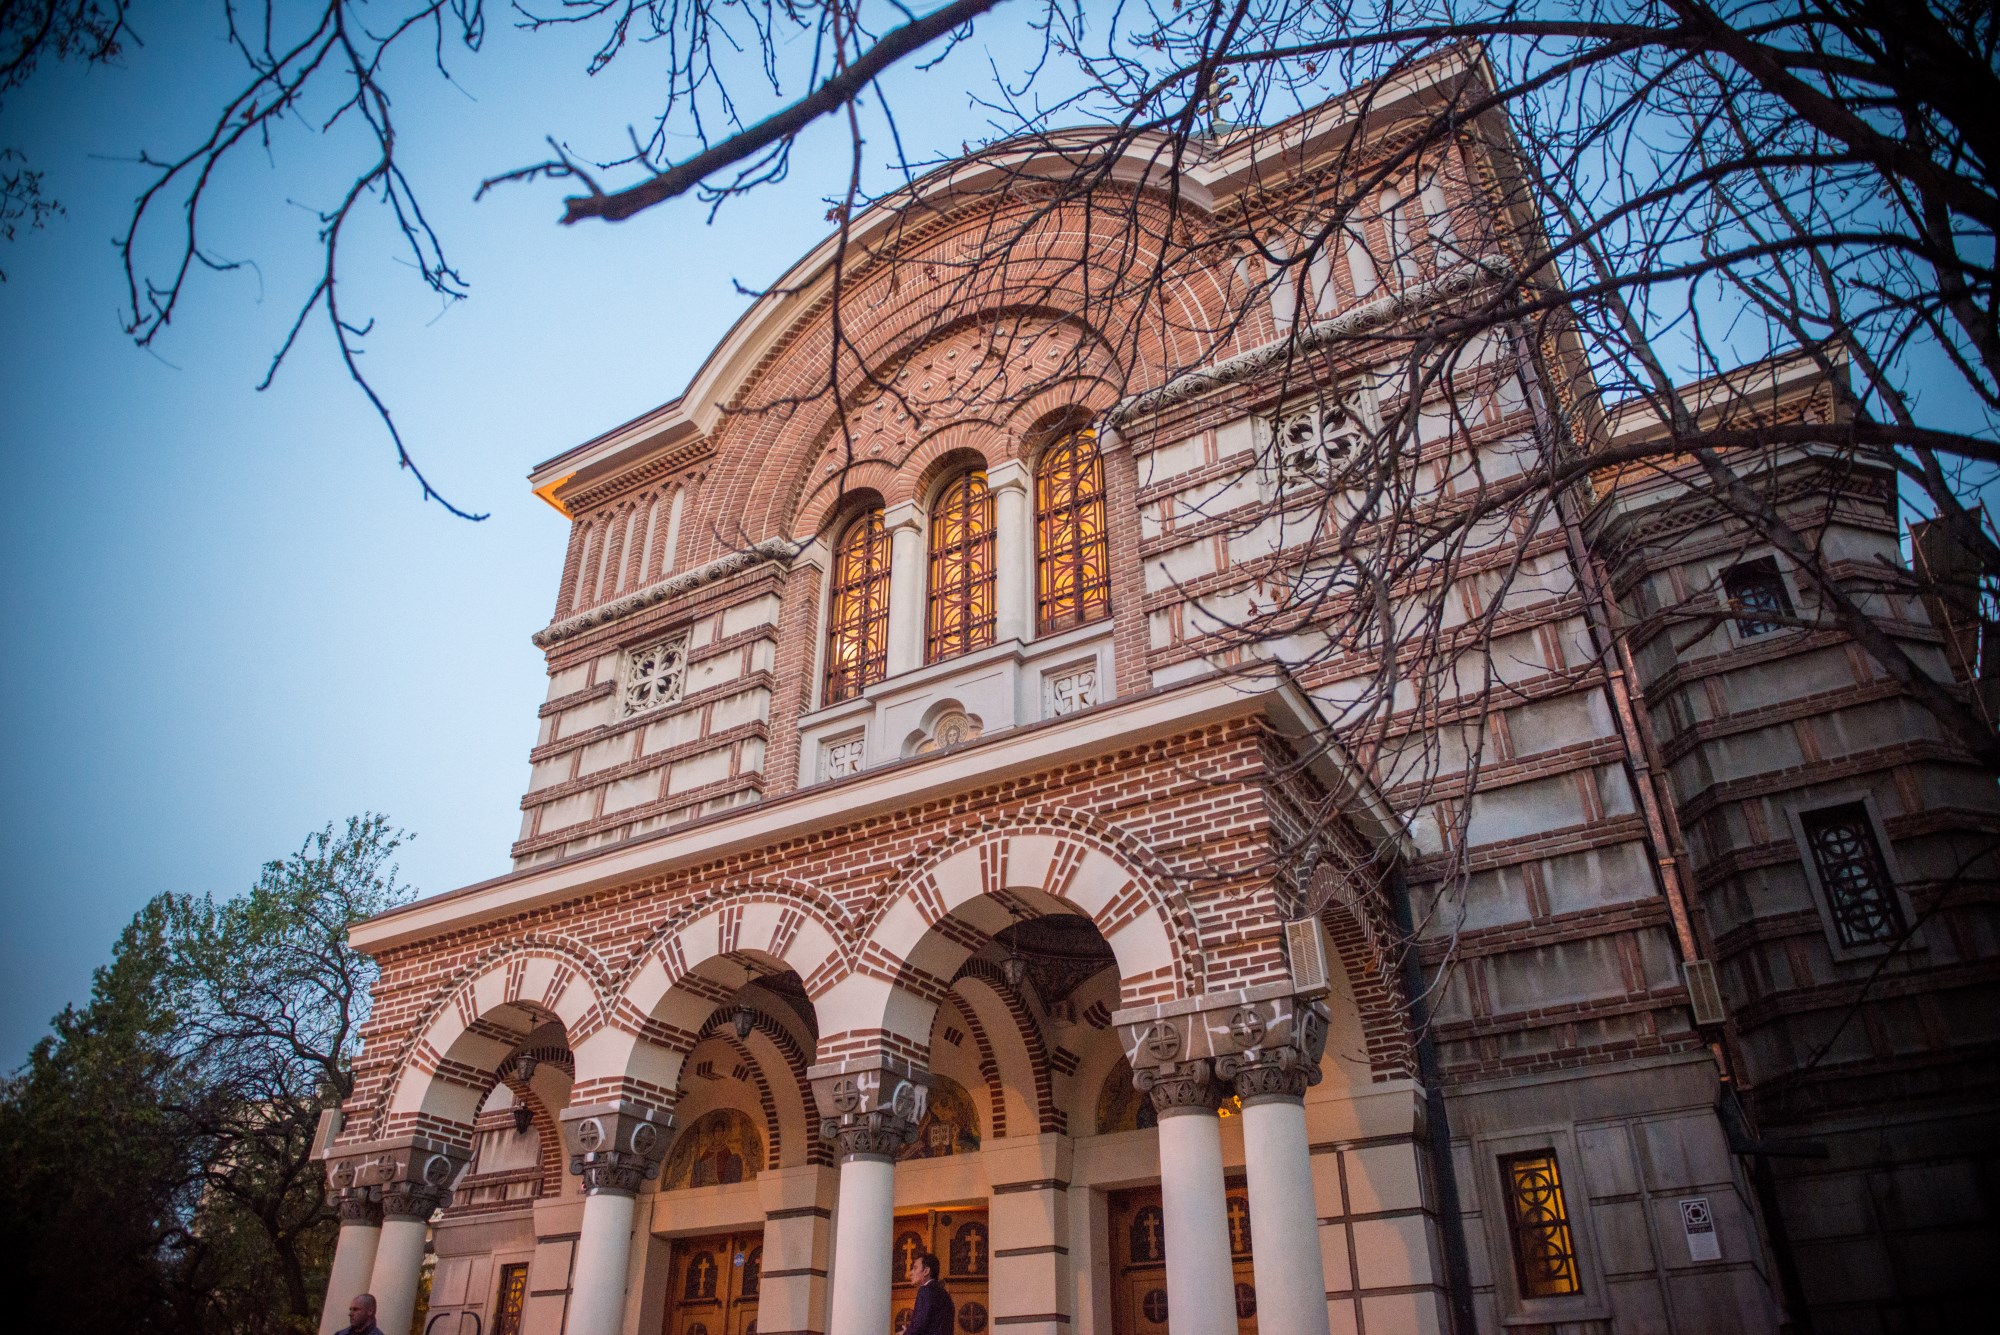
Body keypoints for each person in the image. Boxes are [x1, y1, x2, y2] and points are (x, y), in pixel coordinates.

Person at [900, 1251, 954, 1335]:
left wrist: (906, 1333)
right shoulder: (945, 1294)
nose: (910, 1273)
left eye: (915, 1268)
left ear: (926, 1271)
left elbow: (920, 1326)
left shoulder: (925, 1291)